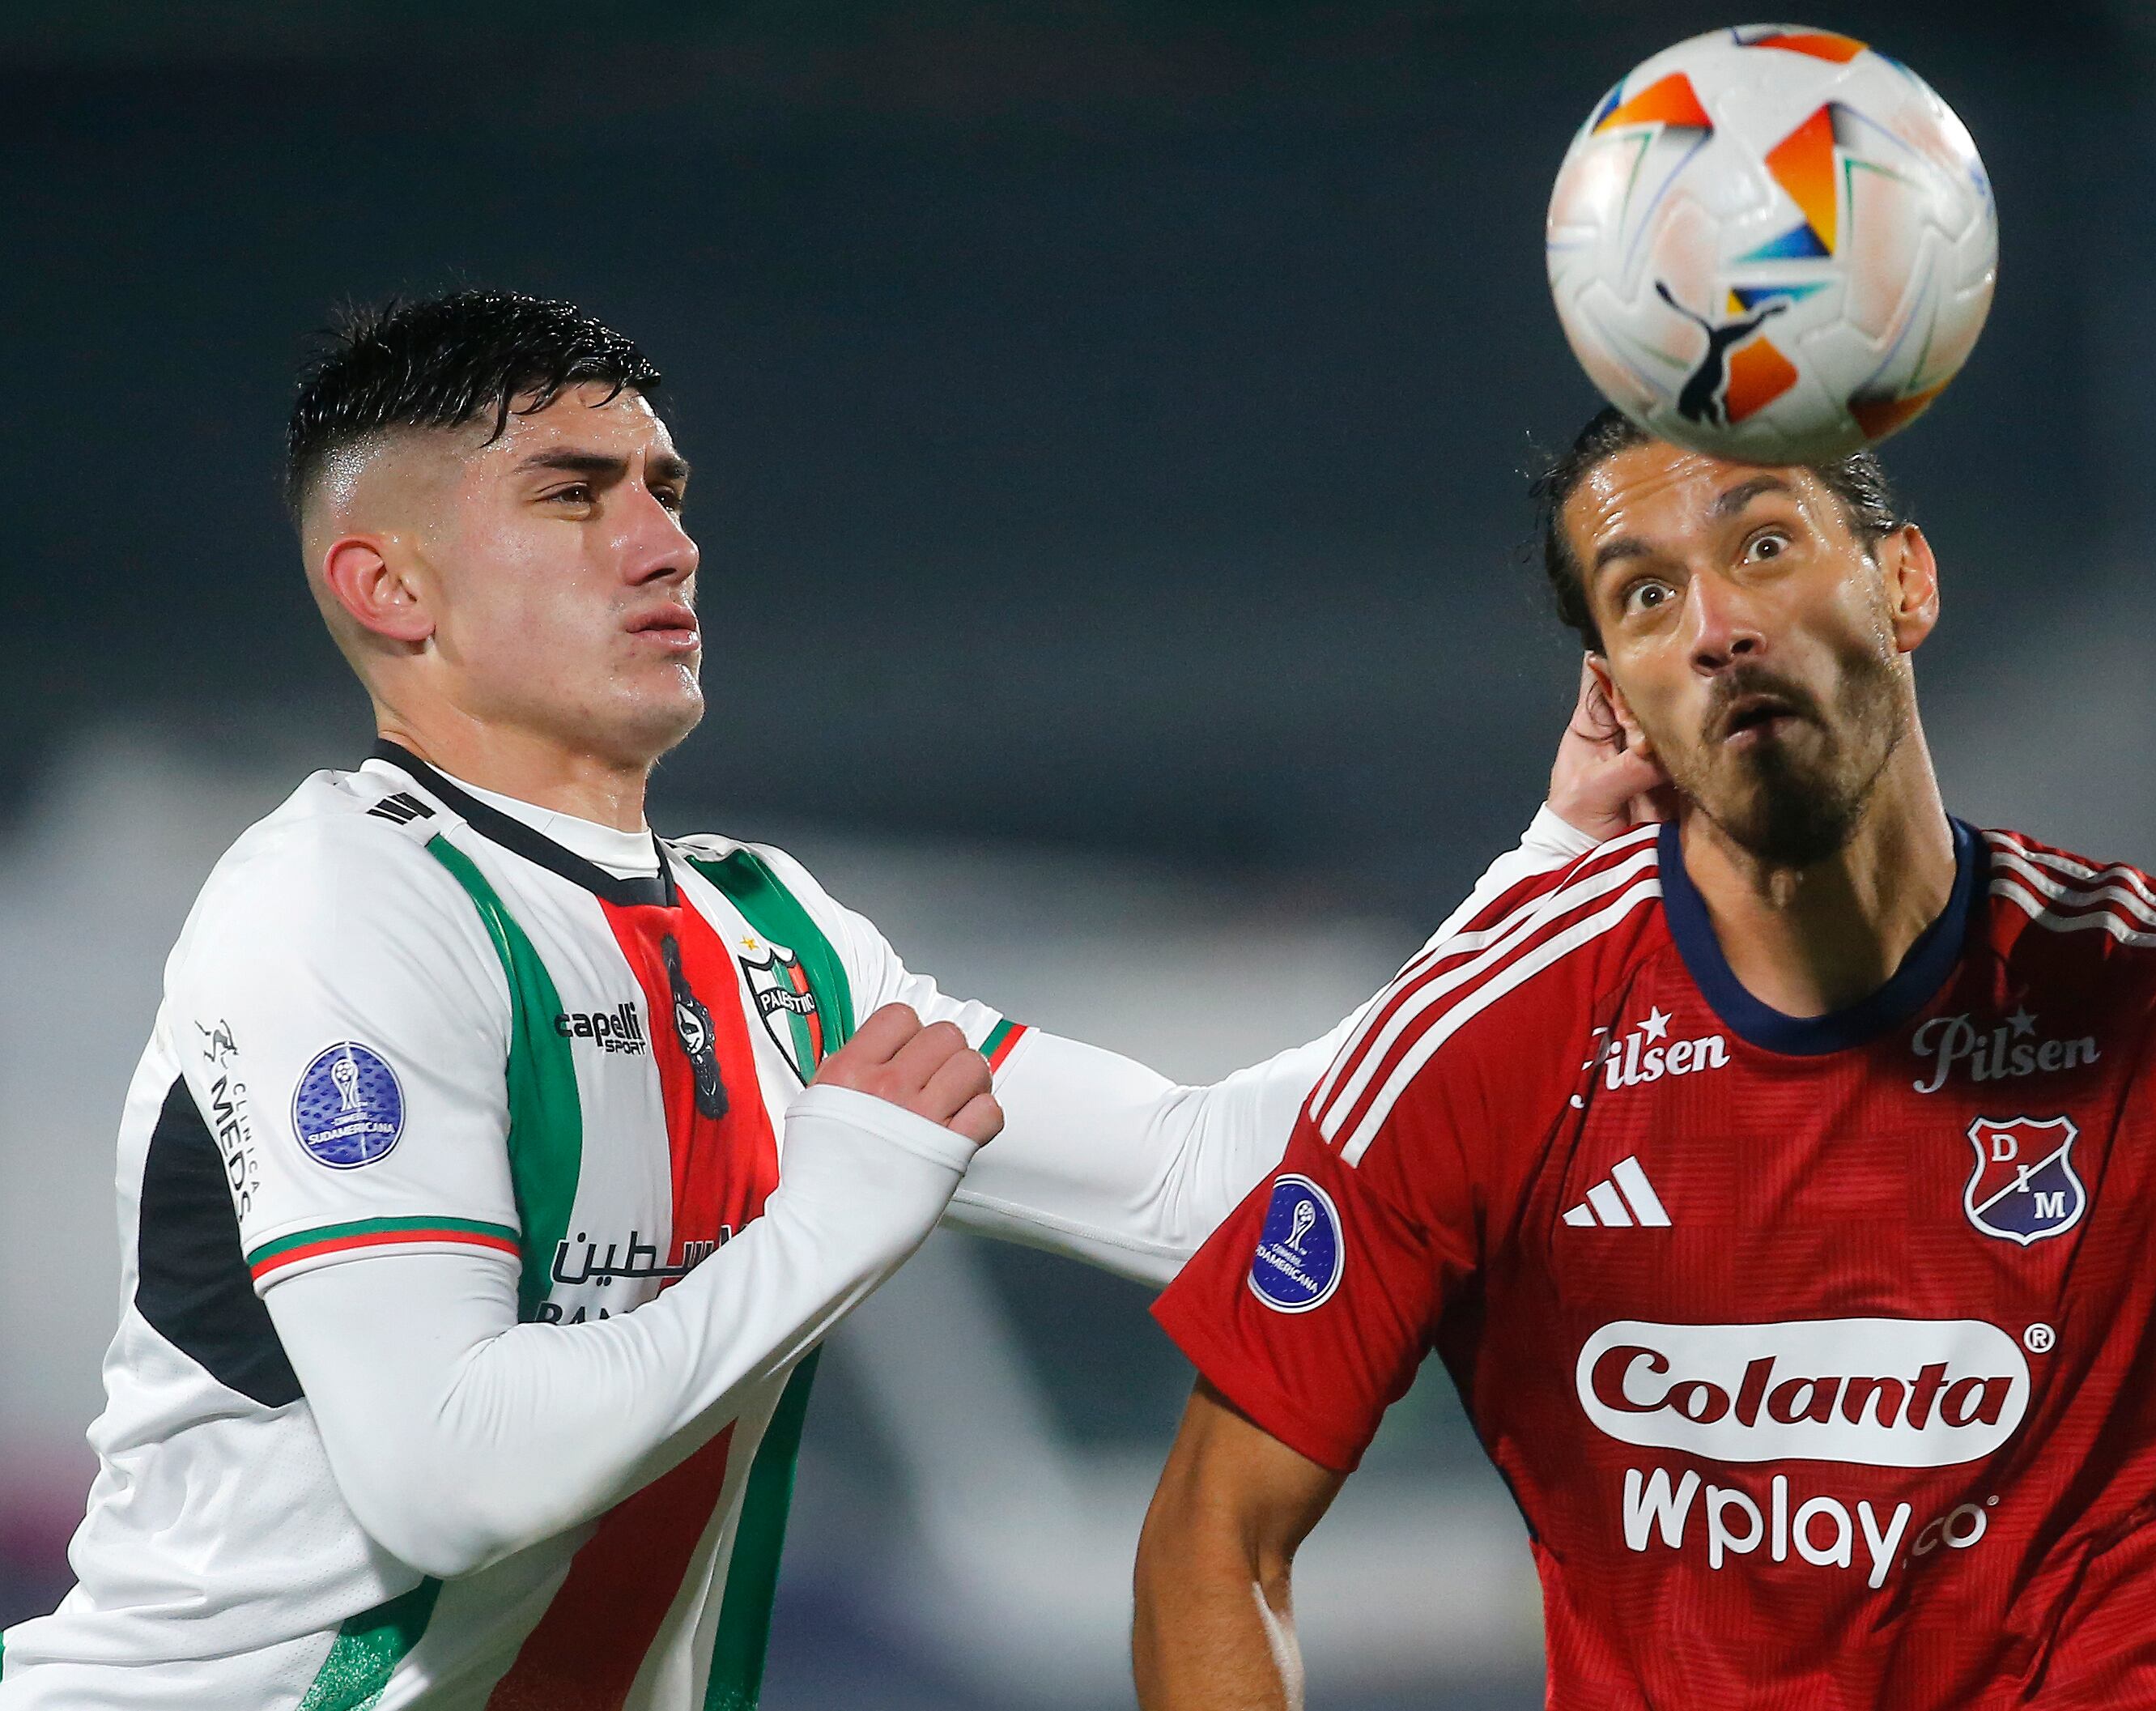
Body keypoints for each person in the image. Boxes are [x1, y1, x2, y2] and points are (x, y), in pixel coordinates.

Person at [0, 291, 1617, 1709]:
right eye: (573, 498)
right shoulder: (340, 902)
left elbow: (1211, 1179)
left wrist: (1557, 869)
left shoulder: (778, 945)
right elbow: (450, 1474)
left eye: (665, 491)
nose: (662, 541)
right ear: (390, 589)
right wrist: (834, 1215)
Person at [1133, 407, 2156, 1710]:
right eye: (1645, 595)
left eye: (1762, 546)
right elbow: (1215, 1536)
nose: (1718, 627)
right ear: (1617, 695)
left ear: (1903, 584)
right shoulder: (1480, 1041)